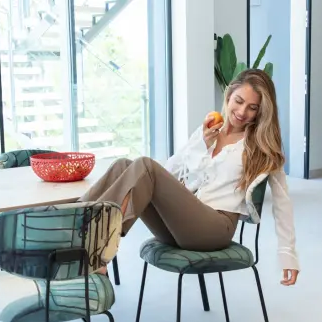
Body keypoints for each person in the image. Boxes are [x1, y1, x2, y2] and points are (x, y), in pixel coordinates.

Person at [78, 69, 299, 286]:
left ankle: (98, 247)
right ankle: (73, 225)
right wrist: (201, 143)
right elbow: (169, 171)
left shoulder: (260, 145)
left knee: (144, 165)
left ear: (261, 112)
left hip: (215, 229)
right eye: (239, 101)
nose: (242, 112)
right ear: (229, 95)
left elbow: (282, 202)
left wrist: (288, 254)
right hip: (181, 226)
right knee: (123, 166)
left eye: (252, 108)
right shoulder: (208, 131)